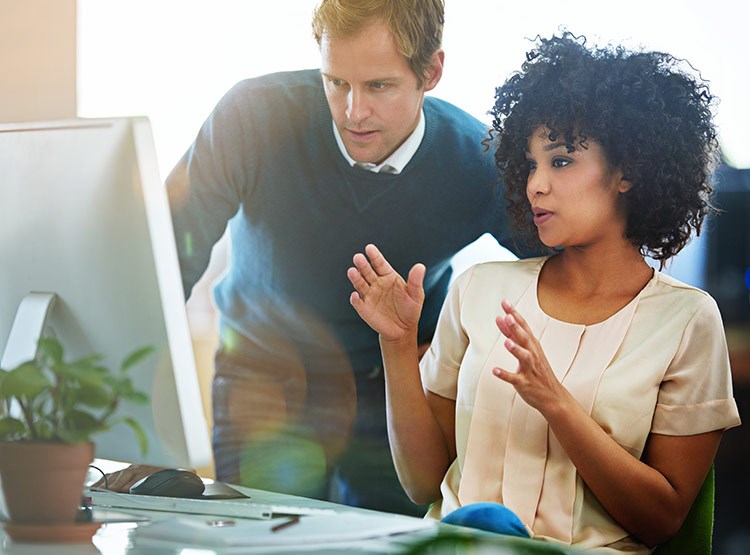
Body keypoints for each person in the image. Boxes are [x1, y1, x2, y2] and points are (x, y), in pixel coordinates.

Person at [99, 0, 530, 516]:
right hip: (263, 377)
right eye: (336, 82)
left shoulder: (478, 161)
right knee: (259, 540)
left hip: (391, 388)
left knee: (385, 543)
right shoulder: (252, 116)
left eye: (379, 86)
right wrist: (147, 441)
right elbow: (164, 264)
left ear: (431, 72)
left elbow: (568, 266)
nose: (354, 112)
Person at [346, 32, 741, 551]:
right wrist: (398, 344)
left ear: (628, 171)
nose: (535, 184)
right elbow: (422, 483)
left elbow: (663, 519)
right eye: (530, 164)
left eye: (560, 161)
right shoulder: (480, 289)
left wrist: (557, 403)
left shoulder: (687, 320)